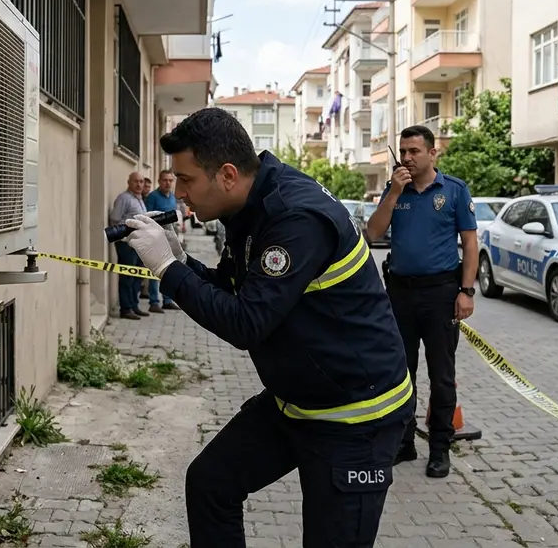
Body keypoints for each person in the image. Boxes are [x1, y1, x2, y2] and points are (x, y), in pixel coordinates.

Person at [122, 107, 414, 547]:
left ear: (225, 174)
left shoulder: (295, 218)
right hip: (298, 401)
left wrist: (166, 268)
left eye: (187, 180)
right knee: (211, 483)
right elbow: (240, 287)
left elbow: (246, 323)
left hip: (356, 418)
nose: (180, 194)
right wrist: (183, 262)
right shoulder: (251, 205)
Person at [364, 124, 477, 479]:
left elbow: (470, 244)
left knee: (442, 375)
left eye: (414, 151)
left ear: (432, 153)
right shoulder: (396, 189)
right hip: (400, 293)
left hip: (442, 293)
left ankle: (440, 448)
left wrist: (467, 291)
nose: (408, 158)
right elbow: (373, 232)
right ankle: (404, 442)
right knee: (401, 374)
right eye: (404, 151)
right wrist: (394, 193)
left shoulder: (455, 191)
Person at [109, 171, 149, 320]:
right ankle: (125, 309)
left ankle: (133, 305)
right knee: (127, 276)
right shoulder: (124, 198)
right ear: (129, 182)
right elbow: (115, 218)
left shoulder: (139, 199)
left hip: (139, 243)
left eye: (141, 181)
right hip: (126, 243)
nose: (139, 184)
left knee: (137, 274)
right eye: (136, 181)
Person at [143, 169, 182, 312]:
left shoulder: (172, 197)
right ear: (159, 181)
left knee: (169, 270)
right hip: (155, 239)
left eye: (170, 180)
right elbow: (147, 217)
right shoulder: (153, 197)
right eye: (165, 180)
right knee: (154, 271)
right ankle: (154, 302)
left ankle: (167, 299)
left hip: (170, 239)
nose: (168, 183)